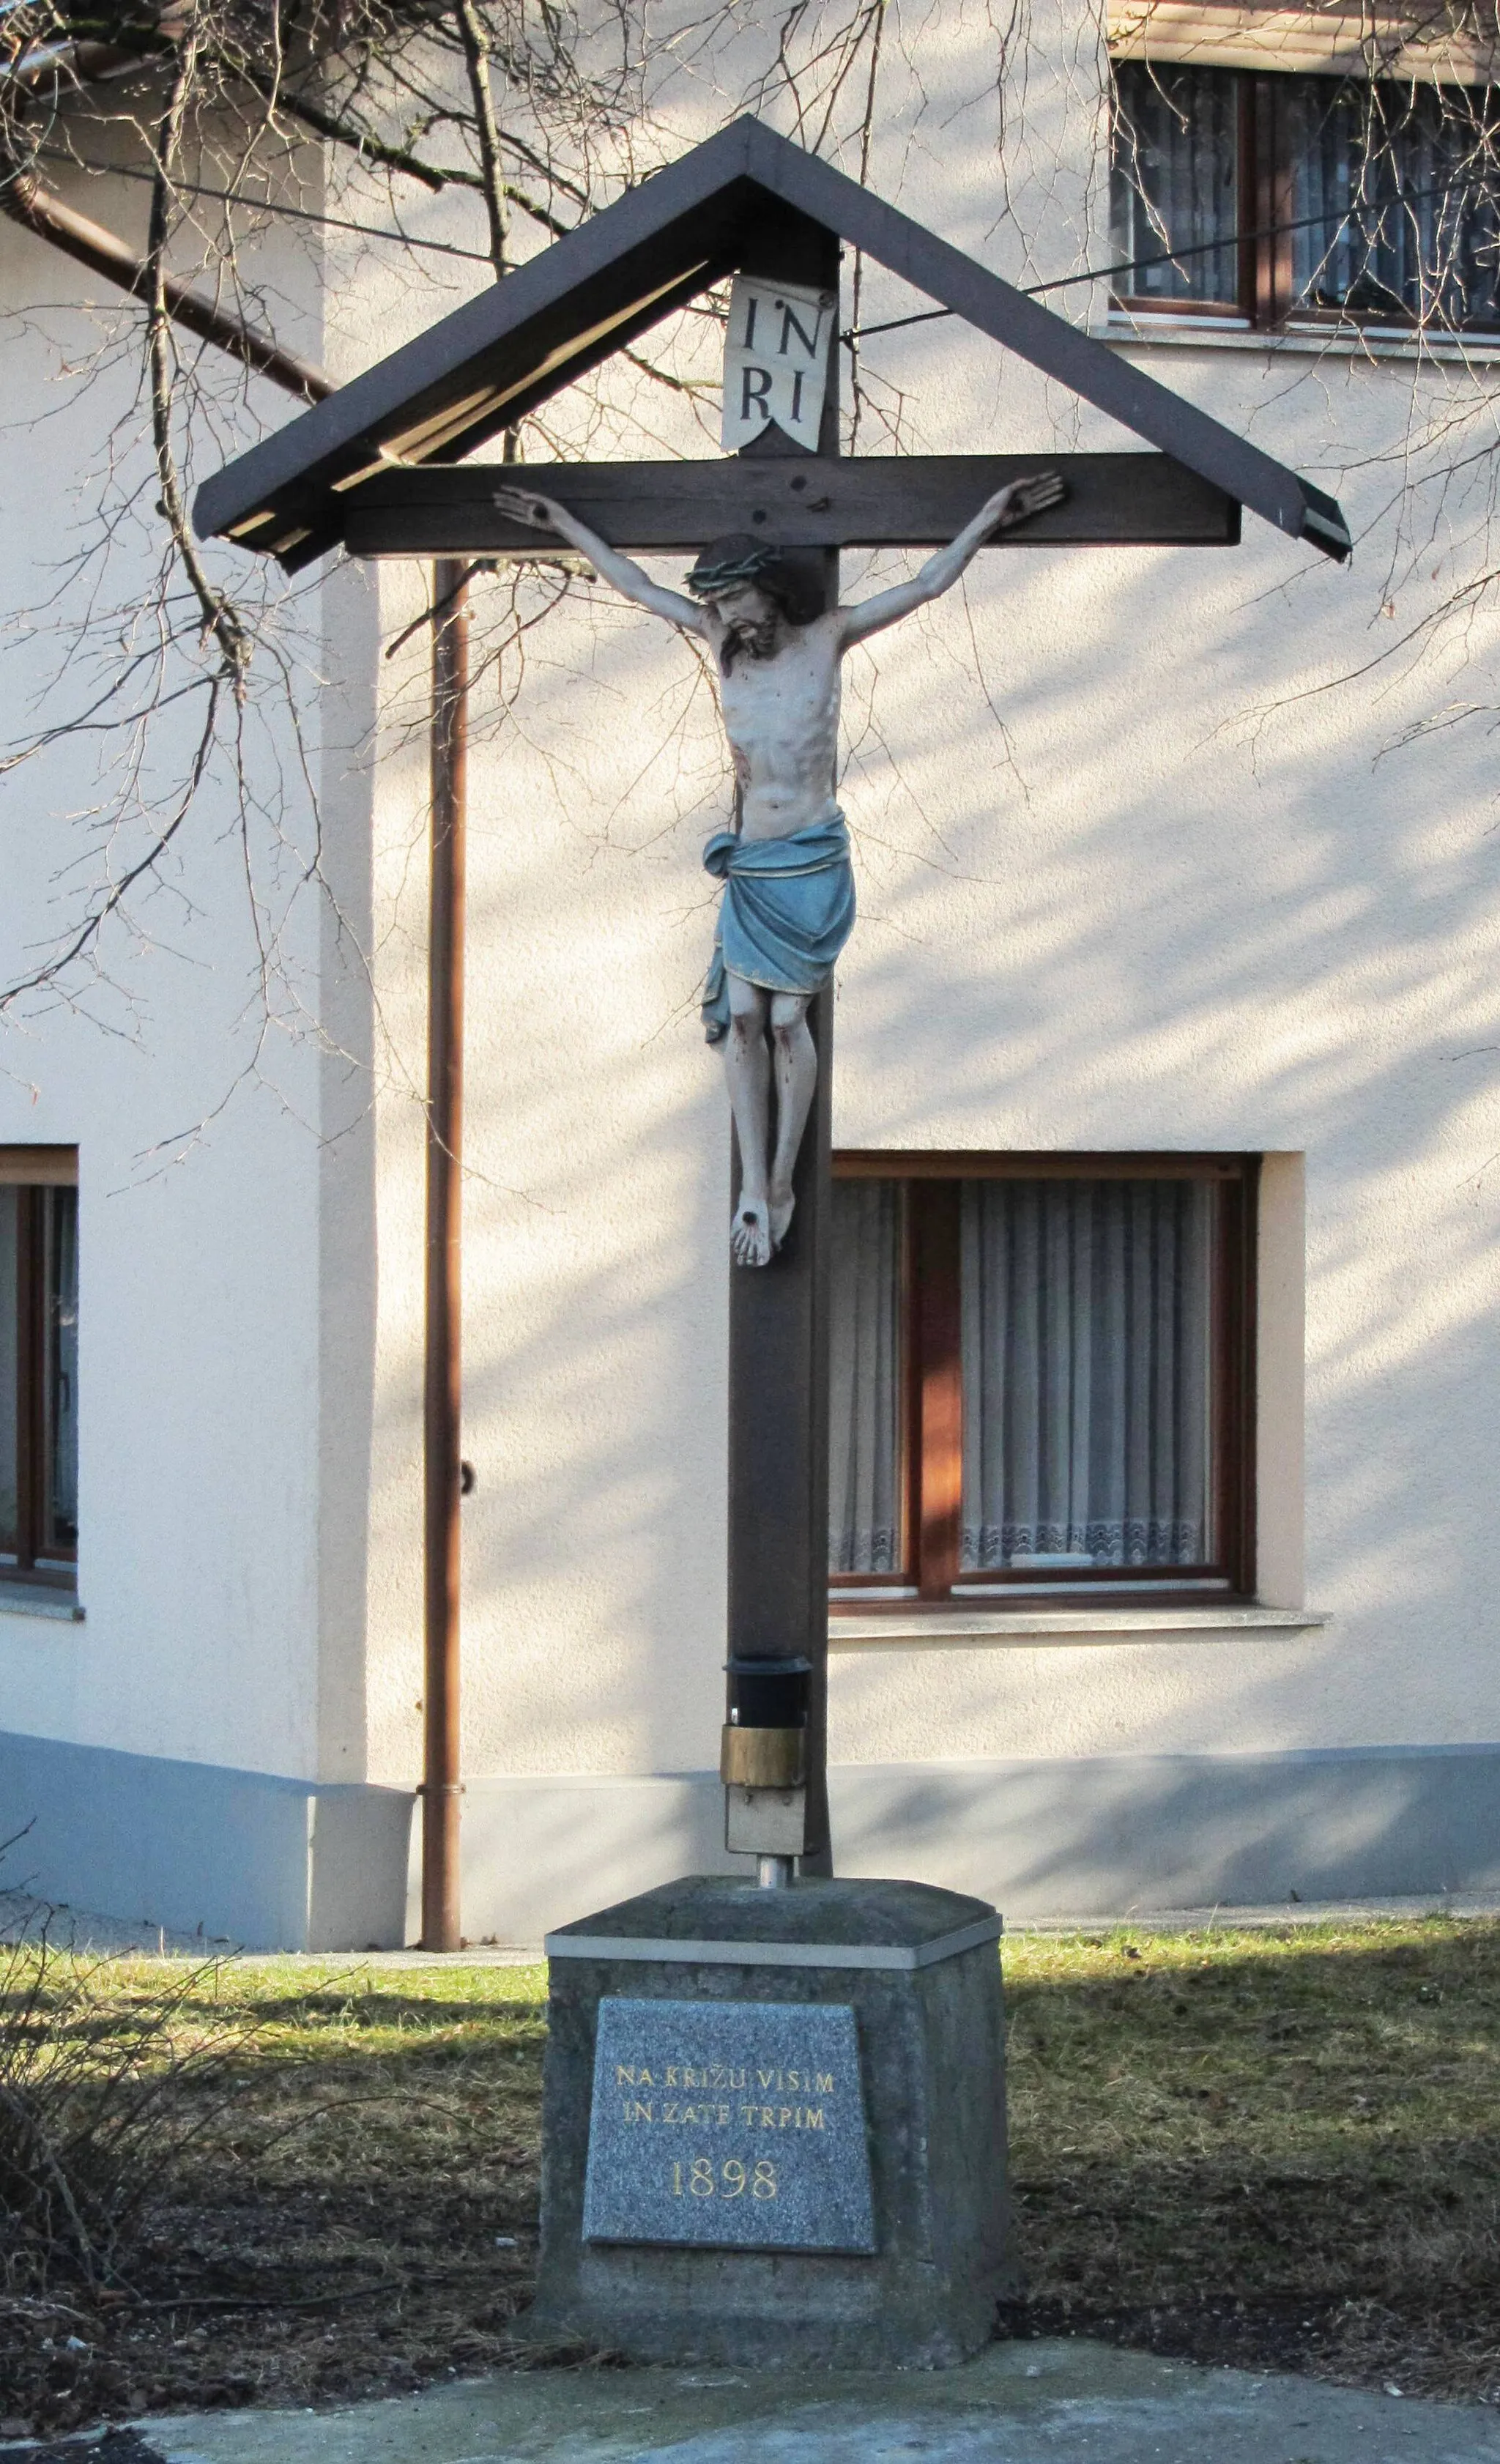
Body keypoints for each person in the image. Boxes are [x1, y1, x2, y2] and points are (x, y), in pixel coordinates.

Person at [492, 470, 1065, 1266]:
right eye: (719, 606)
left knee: (788, 1021)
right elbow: (630, 581)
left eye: (737, 601)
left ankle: (784, 1179)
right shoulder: (719, 649)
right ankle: (752, 1189)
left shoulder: (826, 637)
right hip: (754, 863)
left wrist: (988, 516)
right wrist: (561, 524)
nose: (728, 617)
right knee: (742, 1022)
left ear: (767, 591)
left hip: (811, 859)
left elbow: (929, 582)